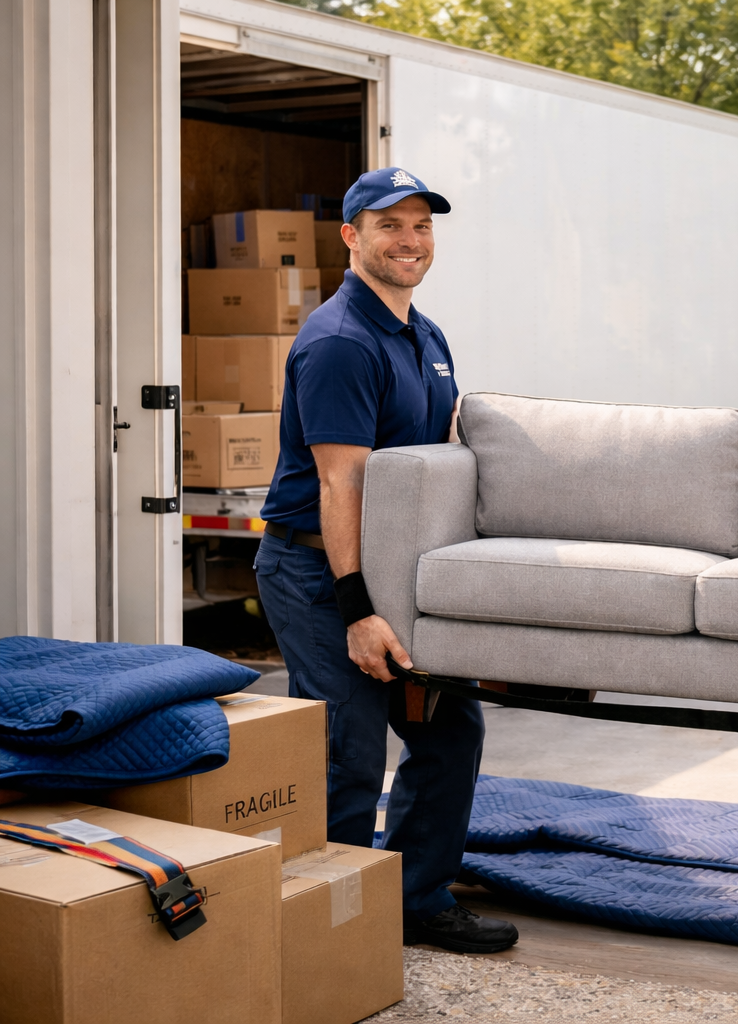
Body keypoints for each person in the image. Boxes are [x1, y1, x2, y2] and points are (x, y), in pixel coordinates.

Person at [255, 167, 519, 954]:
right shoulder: (339, 343)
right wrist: (357, 611)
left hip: (399, 572)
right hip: (318, 572)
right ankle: (324, 928)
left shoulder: (425, 336)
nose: (410, 241)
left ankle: (413, 898)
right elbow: (344, 483)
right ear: (350, 237)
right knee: (350, 746)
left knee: (450, 729)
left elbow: (436, 468)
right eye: (390, 226)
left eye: (421, 227)